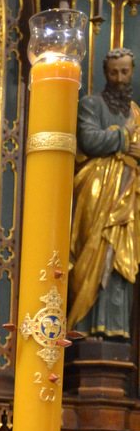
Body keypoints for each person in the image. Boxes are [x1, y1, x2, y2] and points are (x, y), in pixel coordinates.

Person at [68, 48, 140, 340]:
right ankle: (85, 326)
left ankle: (115, 330)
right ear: (105, 73)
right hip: (96, 193)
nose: (120, 79)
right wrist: (123, 137)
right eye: (114, 72)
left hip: (128, 196)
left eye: (125, 72)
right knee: (93, 253)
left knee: (120, 260)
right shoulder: (91, 104)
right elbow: (89, 139)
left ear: (132, 72)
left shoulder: (136, 112)